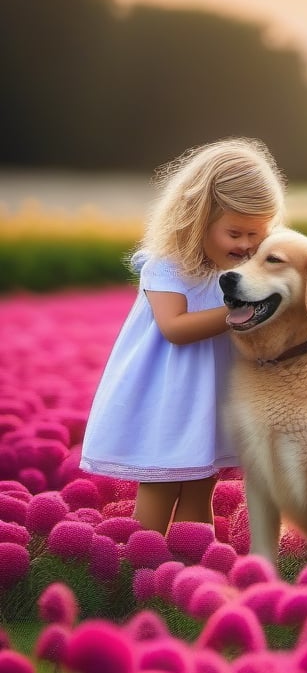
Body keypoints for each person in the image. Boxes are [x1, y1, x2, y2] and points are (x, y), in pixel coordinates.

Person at [80, 138, 287, 535]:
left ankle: (195, 577)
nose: (246, 245)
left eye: (257, 235)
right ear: (198, 218)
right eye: (235, 233)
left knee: (200, 488)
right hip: (168, 397)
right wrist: (239, 312)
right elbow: (175, 328)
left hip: (211, 396)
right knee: (160, 487)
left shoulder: (248, 268)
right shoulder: (168, 264)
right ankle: (140, 570)